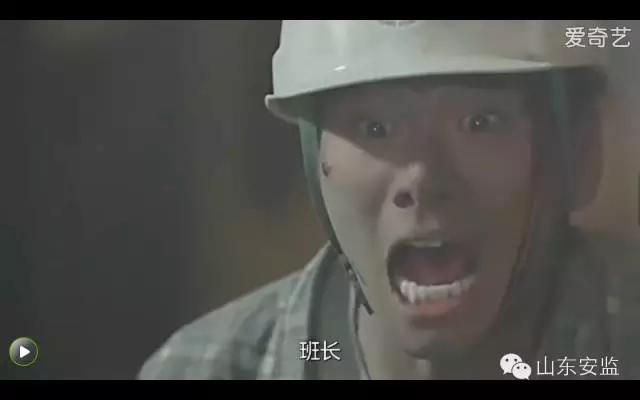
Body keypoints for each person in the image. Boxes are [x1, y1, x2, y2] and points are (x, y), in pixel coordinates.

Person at [139, 20, 640, 380]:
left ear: (578, 154)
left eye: (479, 122)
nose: (422, 178)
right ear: (316, 162)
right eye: (374, 128)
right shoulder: (204, 367)